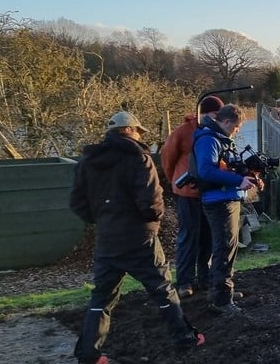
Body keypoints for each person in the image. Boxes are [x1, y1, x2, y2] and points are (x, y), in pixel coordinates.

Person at [69, 111, 204, 364]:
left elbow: (77, 202)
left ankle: (89, 355)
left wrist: (103, 219)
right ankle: (185, 338)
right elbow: (152, 201)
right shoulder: (138, 158)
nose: (140, 136)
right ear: (130, 130)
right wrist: (152, 220)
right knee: (162, 290)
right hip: (140, 238)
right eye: (139, 132)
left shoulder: (88, 160)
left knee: (101, 299)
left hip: (108, 239)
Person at [195, 103, 261, 315]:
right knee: (224, 248)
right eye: (236, 126)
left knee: (227, 248)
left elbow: (226, 168)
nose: (237, 130)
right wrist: (238, 181)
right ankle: (222, 300)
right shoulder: (209, 140)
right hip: (218, 201)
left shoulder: (219, 139)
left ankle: (220, 291)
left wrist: (248, 177)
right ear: (225, 121)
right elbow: (206, 171)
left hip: (226, 198)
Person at [160, 95, 223, 299]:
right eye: (215, 114)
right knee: (188, 236)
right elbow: (167, 159)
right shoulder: (182, 132)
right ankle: (184, 281)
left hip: (210, 193)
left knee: (208, 237)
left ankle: (206, 278)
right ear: (204, 113)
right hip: (188, 194)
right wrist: (177, 182)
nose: (218, 118)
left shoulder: (216, 132)